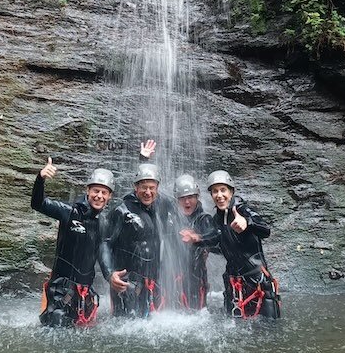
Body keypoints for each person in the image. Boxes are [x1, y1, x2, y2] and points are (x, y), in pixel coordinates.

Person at [184, 169, 280, 319]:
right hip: (233, 285)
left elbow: (265, 230)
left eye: (223, 190)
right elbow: (216, 241)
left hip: (256, 283)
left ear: (231, 192)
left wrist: (248, 223)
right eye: (215, 191)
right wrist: (197, 240)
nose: (219, 195)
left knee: (268, 331)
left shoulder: (242, 209)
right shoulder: (216, 219)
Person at [31, 157, 114, 327]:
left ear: (109, 196)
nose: (99, 196)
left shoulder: (104, 222)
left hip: (86, 292)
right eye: (95, 191)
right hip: (61, 290)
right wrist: (40, 179)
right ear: (88, 191)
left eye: (104, 193)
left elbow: (102, 251)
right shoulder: (69, 212)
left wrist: (110, 275)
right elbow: (38, 204)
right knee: (56, 334)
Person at [100, 139, 174, 317]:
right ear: (135, 187)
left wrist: (144, 160)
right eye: (143, 187)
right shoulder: (122, 211)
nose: (148, 192)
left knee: (149, 325)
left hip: (152, 281)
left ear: (157, 188)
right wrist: (109, 274)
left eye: (152, 188)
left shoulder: (159, 206)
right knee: (126, 326)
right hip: (127, 282)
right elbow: (105, 244)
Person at [174, 174, 218, 310]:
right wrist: (144, 160)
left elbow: (214, 236)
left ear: (197, 197)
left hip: (196, 279)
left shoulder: (204, 219)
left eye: (190, 197)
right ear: (177, 200)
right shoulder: (171, 219)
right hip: (173, 278)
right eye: (183, 198)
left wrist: (197, 238)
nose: (187, 202)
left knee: (196, 314)